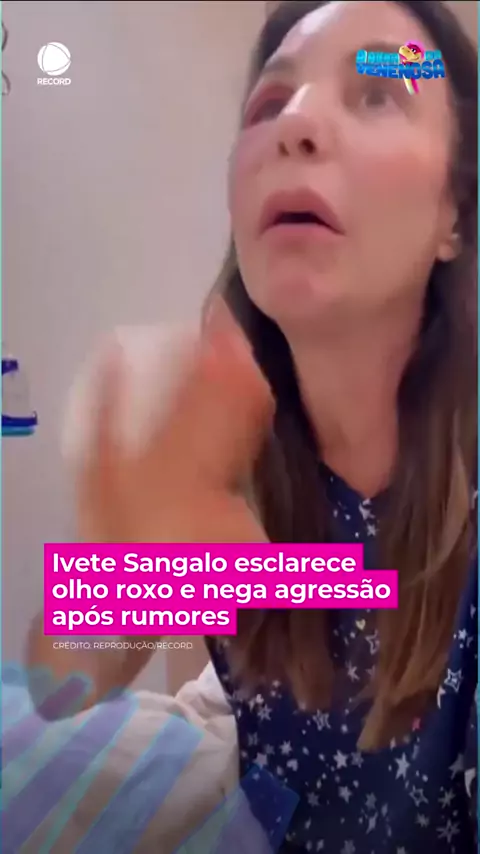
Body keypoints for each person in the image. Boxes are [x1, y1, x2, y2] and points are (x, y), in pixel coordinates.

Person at [28, 1, 477, 851]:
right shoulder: (220, 451)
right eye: (270, 103)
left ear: (456, 210)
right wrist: (117, 563)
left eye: (378, 91)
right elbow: (59, 695)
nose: (296, 122)